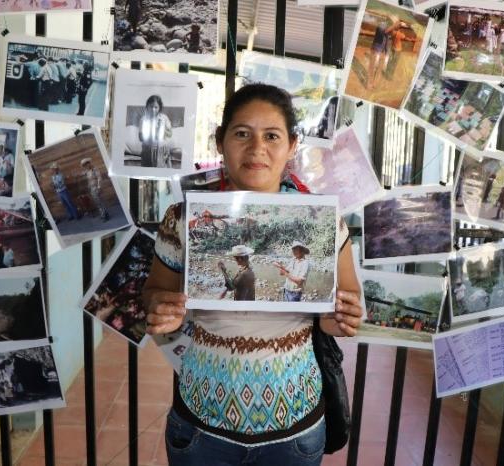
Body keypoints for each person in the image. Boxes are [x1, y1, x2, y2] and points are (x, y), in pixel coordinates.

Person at [142, 84, 363, 465]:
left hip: (294, 427)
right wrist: (160, 307)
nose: (257, 147)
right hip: (200, 424)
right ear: (220, 141)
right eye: (242, 133)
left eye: (272, 136)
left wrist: (340, 318)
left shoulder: (324, 222)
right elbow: (153, 292)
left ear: (292, 146)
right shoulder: (183, 217)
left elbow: (347, 303)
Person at [138, 95, 173, 168]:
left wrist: (162, 129)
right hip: (147, 150)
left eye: (156, 107)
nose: (153, 109)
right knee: (147, 169)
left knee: (161, 168)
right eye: (151, 106)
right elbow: (140, 138)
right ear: (147, 107)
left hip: (162, 149)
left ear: (159, 108)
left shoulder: (164, 118)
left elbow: (170, 134)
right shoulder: (144, 119)